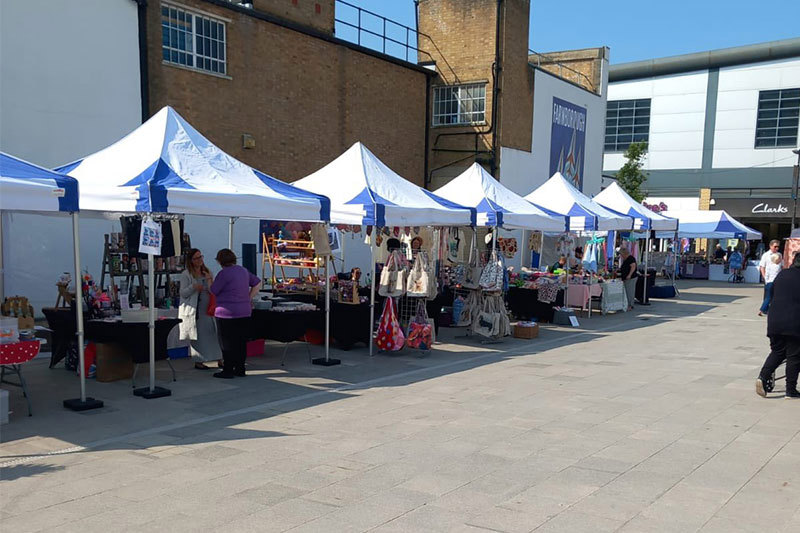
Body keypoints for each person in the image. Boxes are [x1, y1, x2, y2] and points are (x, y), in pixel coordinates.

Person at [210, 249, 261, 379]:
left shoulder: (223, 274)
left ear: (220, 261)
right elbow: (257, 283)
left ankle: (227, 369)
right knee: (240, 342)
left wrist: (209, 281)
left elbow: (214, 290)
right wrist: (249, 297)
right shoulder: (243, 270)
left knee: (226, 342)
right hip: (244, 311)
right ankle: (240, 368)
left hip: (226, 312)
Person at [756, 252, 800, 399]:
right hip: (794, 323)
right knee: (794, 356)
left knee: (778, 352)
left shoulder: (782, 274)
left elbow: (772, 293)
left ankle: (762, 377)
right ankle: (790, 390)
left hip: (775, 320)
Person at [179, 248, 221, 370]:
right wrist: (193, 287)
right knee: (198, 336)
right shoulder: (186, 274)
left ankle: (219, 358)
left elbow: (213, 290)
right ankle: (199, 361)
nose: (200, 260)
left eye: (201, 257)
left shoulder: (207, 272)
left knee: (213, 333)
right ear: (191, 260)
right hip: (195, 309)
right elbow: (183, 293)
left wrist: (209, 280)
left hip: (208, 308)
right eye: (196, 258)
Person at [758, 239, 782, 316]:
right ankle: (764, 309)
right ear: (770, 246)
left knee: (774, 296)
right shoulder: (766, 255)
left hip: (776, 280)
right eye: (775, 246)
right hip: (769, 280)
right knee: (768, 296)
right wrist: (765, 278)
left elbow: (782, 266)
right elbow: (762, 267)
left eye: (778, 247)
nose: (777, 248)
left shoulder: (779, 255)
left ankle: (769, 309)